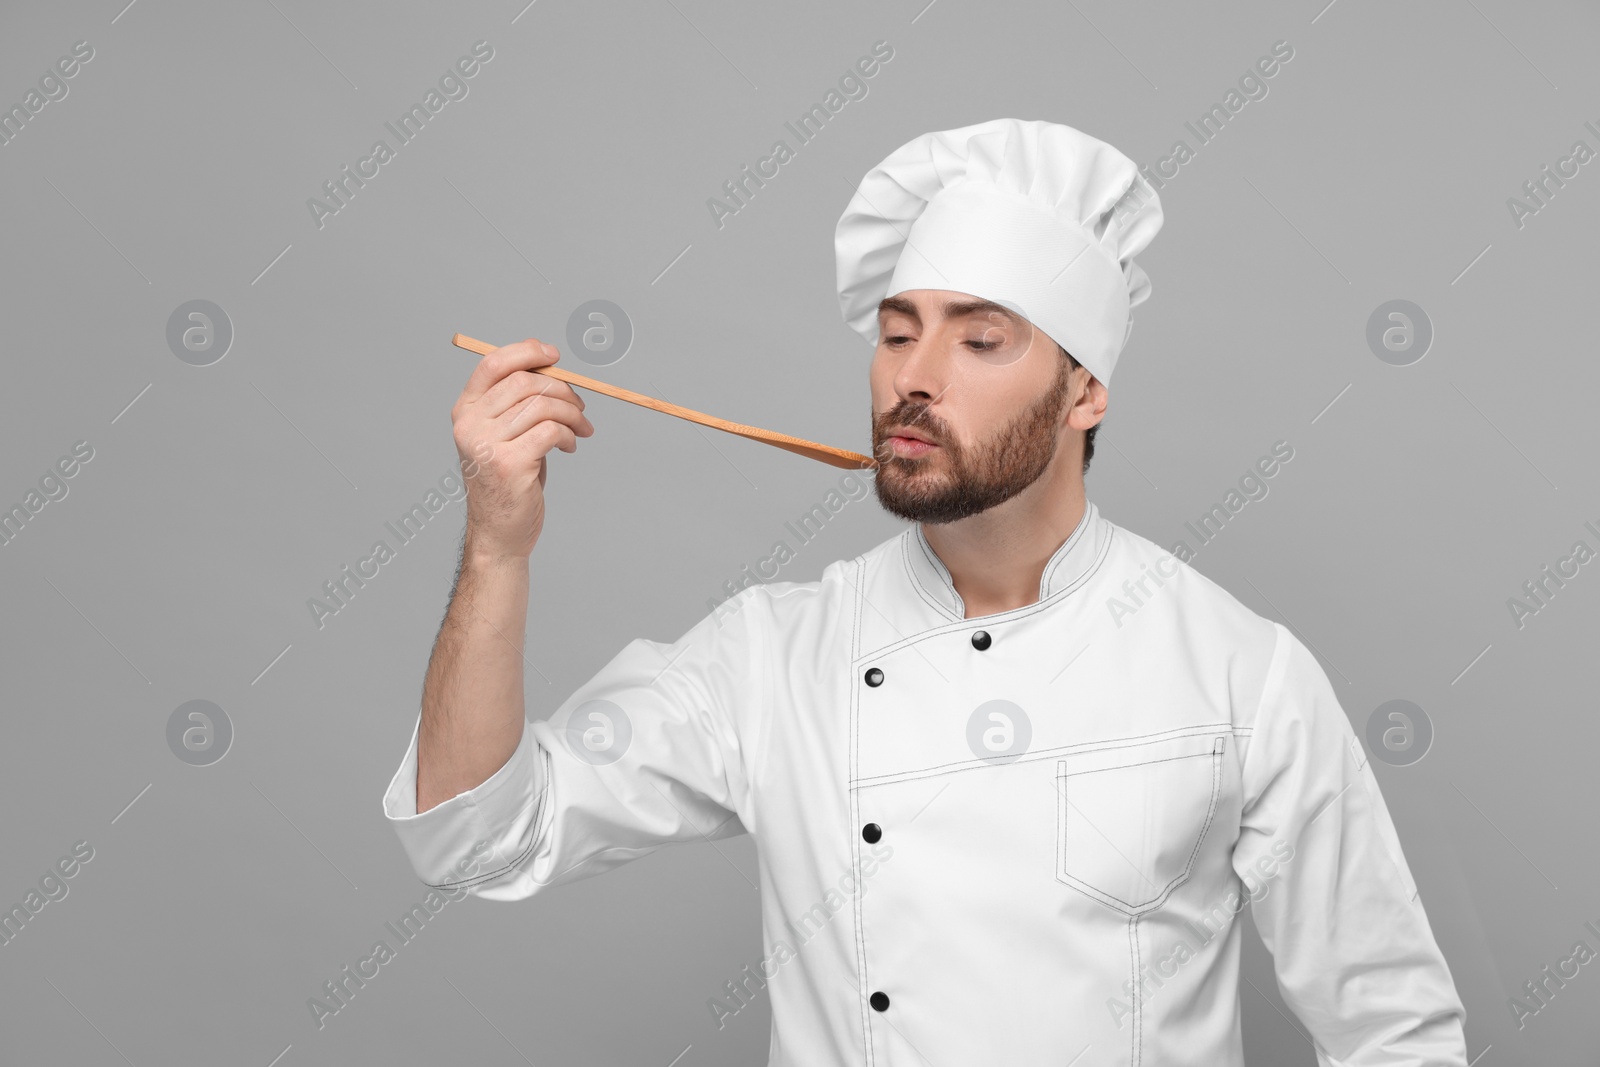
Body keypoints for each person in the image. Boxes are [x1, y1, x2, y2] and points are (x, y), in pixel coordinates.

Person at [382, 117, 1469, 1065]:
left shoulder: (1238, 669)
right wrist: (496, 549)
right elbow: (483, 836)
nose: (915, 373)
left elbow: (1395, 1030)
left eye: (980, 337)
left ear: (1083, 390)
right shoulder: (774, 655)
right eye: (897, 331)